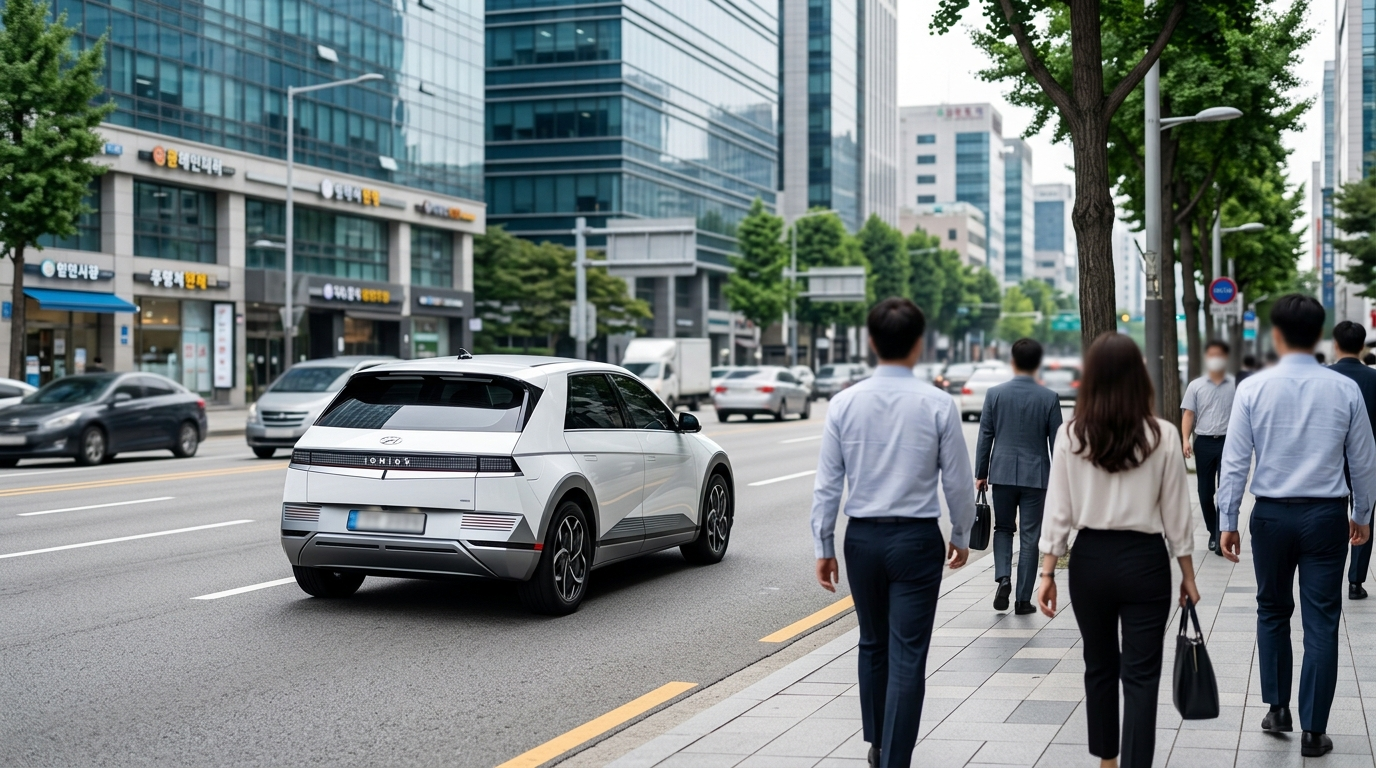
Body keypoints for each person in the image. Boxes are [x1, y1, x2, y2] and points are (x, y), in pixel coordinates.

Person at [812, 297, 974, 768]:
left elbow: (828, 484)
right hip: (917, 540)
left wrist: (824, 545)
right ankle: (894, 758)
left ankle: (878, 742)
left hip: (861, 539)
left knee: (872, 642)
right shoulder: (939, 403)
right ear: (919, 345)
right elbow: (958, 483)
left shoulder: (843, 403)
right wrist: (960, 534)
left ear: (870, 341)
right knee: (908, 653)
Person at [1217, 294, 1376, 758]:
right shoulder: (1343, 390)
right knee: (1322, 622)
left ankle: (1278, 708)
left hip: (1270, 514)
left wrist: (1228, 519)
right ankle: (1315, 731)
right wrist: (1362, 515)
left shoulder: (1252, 388)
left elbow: (1234, 463)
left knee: (1272, 611)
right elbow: (1364, 462)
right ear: (1319, 334)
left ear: (1278, 335)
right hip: (1326, 515)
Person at [1038, 333, 1197, 768]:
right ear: (1137, 378)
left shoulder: (1072, 435)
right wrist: (1188, 573)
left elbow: (1059, 510)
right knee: (1142, 675)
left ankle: (1106, 760)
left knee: (1099, 665)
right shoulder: (1163, 435)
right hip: (1145, 561)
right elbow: (1176, 514)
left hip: (1090, 561)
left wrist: (1047, 572)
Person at [974, 337, 1062, 614]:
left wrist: (981, 473)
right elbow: (1057, 444)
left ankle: (1003, 578)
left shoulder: (994, 394)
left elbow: (985, 436)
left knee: (1003, 529)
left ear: (1012, 362)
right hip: (1036, 476)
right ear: (1038, 364)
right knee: (1029, 536)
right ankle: (1023, 600)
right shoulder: (1049, 398)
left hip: (1001, 473)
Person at [1328, 320, 1376, 600]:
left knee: (1332, 517)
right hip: (1368, 460)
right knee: (1364, 514)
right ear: (1361, 346)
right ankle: (1355, 581)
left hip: (1331, 460)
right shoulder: (1373, 379)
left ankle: (1329, 575)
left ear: (1335, 345)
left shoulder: (1325, 378)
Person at [1180, 339, 1235, 555]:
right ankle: (1213, 532)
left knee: (1225, 492)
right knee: (1204, 492)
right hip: (1203, 442)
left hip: (1228, 443)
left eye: (1219, 355)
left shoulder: (1235, 385)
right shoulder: (1196, 385)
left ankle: (1220, 534)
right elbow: (1189, 414)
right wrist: (1185, 439)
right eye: (1211, 355)